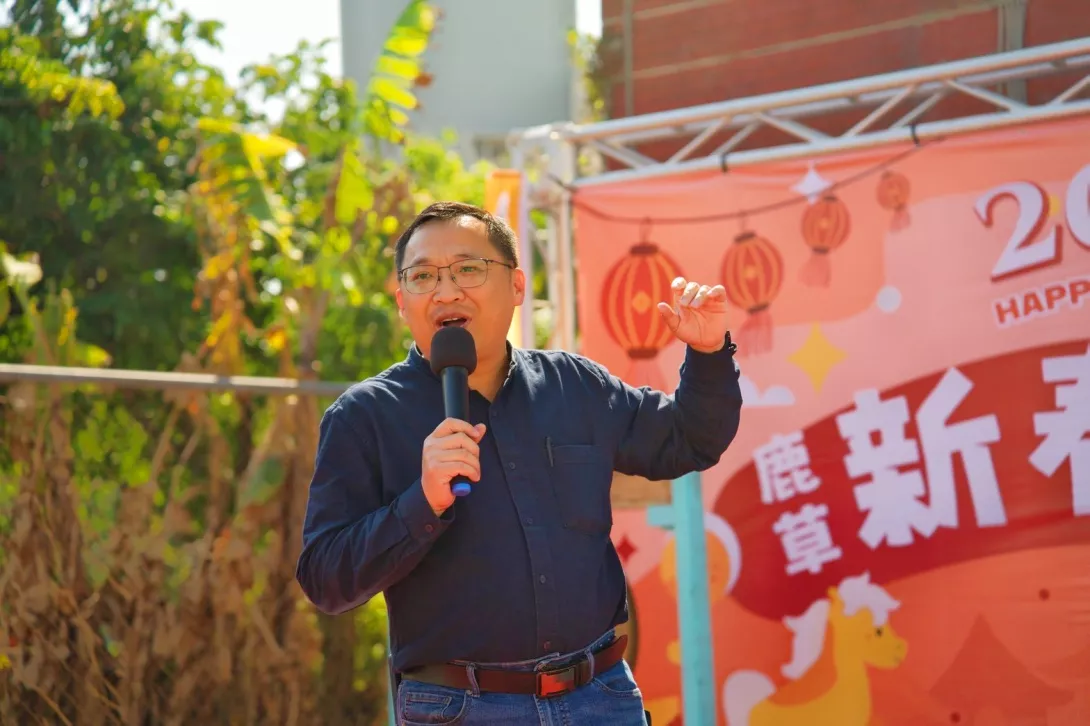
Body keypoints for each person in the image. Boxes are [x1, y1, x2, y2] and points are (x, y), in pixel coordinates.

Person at [296, 201, 743, 725]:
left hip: (599, 697)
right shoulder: (364, 416)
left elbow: (689, 440)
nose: (445, 291)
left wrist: (709, 353)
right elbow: (325, 578)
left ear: (516, 286)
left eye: (467, 269)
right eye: (423, 276)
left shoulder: (574, 385)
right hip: (459, 708)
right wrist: (422, 502)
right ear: (402, 301)